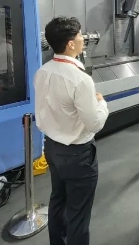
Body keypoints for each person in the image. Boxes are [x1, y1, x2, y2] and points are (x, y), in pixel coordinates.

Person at [35, 17, 109, 245]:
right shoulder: (80, 79)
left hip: (52, 149)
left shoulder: (43, 71)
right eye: (79, 35)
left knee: (58, 200)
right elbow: (94, 123)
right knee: (78, 213)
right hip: (78, 156)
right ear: (70, 43)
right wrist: (102, 103)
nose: (82, 38)